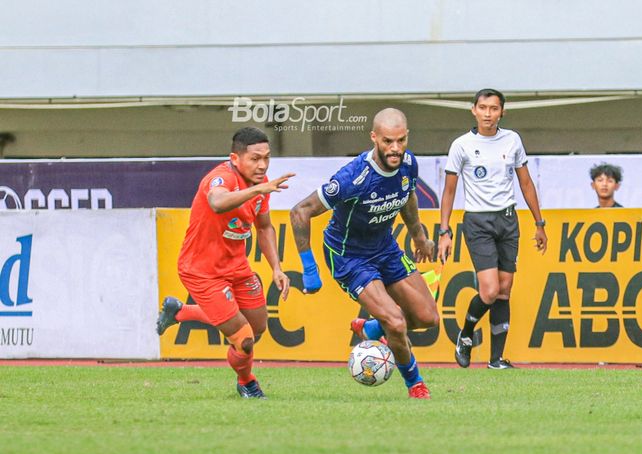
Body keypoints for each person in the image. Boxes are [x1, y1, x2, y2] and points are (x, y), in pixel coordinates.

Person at [290, 108, 439, 399]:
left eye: (400, 141)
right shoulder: (353, 177)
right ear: (374, 138)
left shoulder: (409, 163)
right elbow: (300, 211)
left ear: (407, 137)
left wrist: (419, 236)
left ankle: (371, 328)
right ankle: (415, 384)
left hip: (385, 247)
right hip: (349, 256)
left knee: (427, 318)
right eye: (387, 142)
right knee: (396, 322)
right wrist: (309, 268)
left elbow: (407, 195)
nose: (395, 149)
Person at [157, 127, 294, 398]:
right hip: (202, 272)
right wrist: (258, 189)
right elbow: (218, 203)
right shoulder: (221, 178)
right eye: (255, 158)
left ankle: (181, 312)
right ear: (235, 158)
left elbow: (264, 228)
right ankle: (247, 383)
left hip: (237, 268)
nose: (262, 165)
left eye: (266, 158)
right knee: (243, 338)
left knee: (256, 330)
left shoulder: (261, 184)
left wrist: (276, 268)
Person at [438, 88, 547, 370]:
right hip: (477, 222)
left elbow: (525, 183)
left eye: (494, 109)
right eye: (483, 108)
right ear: (473, 110)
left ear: (502, 112)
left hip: (508, 220)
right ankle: (465, 335)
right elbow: (449, 191)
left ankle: (496, 359)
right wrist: (444, 231)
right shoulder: (461, 145)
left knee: (504, 290)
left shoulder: (512, 140)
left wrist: (539, 223)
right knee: (488, 291)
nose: (488, 114)